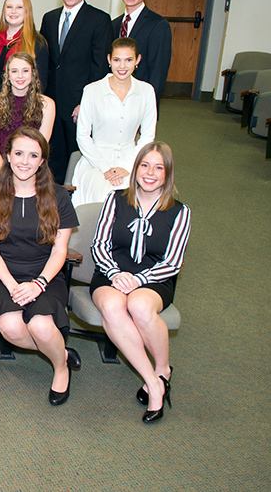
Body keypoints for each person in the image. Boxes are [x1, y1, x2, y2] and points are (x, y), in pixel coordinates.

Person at [0, 127, 79, 405]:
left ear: (42, 161)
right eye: (19, 153)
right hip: (2, 275)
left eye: (33, 155)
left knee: (42, 327)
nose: (24, 161)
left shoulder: (58, 196)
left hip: (44, 275)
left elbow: (59, 250)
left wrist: (39, 284)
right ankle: (62, 353)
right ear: (7, 156)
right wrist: (12, 286)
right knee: (10, 327)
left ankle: (60, 367)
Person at [90, 141, 191, 423]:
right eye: (145, 165)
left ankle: (163, 368)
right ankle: (154, 381)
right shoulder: (116, 199)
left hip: (155, 278)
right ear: (135, 170)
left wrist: (138, 279)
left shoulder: (180, 212)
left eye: (158, 167)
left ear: (167, 174)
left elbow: (172, 262)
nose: (150, 173)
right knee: (112, 305)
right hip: (112, 273)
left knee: (140, 306)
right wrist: (114, 273)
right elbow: (99, 245)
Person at [40, 0, 113, 183]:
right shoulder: (49, 18)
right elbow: (46, 61)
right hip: (52, 100)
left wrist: (86, 102)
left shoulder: (99, 19)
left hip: (78, 104)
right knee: (52, 156)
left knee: (77, 157)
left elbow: (100, 66)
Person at [71, 38, 157, 207]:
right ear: (109, 60)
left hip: (131, 158)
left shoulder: (146, 91)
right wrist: (105, 168)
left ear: (137, 60)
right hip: (96, 160)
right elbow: (82, 136)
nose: (122, 66)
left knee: (134, 200)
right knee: (106, 197)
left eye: (128, 60)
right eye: (117, 60)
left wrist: (127, 167)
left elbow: (147, 136)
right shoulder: (92, 90)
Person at [0, 52, 55, 187]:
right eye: (14, 71)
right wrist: (8, 175)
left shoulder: (47, 105)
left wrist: (23, 175)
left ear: (33, 74)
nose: (20, 76)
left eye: (25, 70)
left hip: (32, 170)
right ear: (7, 75)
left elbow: (40, 149)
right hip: (0, 169)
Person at [111, 0, 172, 110]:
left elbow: (158, 71)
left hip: (139, 100)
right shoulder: (114, 24)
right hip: (114, 97)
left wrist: (149, 108)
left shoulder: (158, 25)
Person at [0, 0, 48, 102]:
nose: (13, 11)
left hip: (23, 106)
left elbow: (41, 82)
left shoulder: (37, 42)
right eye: (9, 7)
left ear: (27, 11)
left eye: (19, 7)